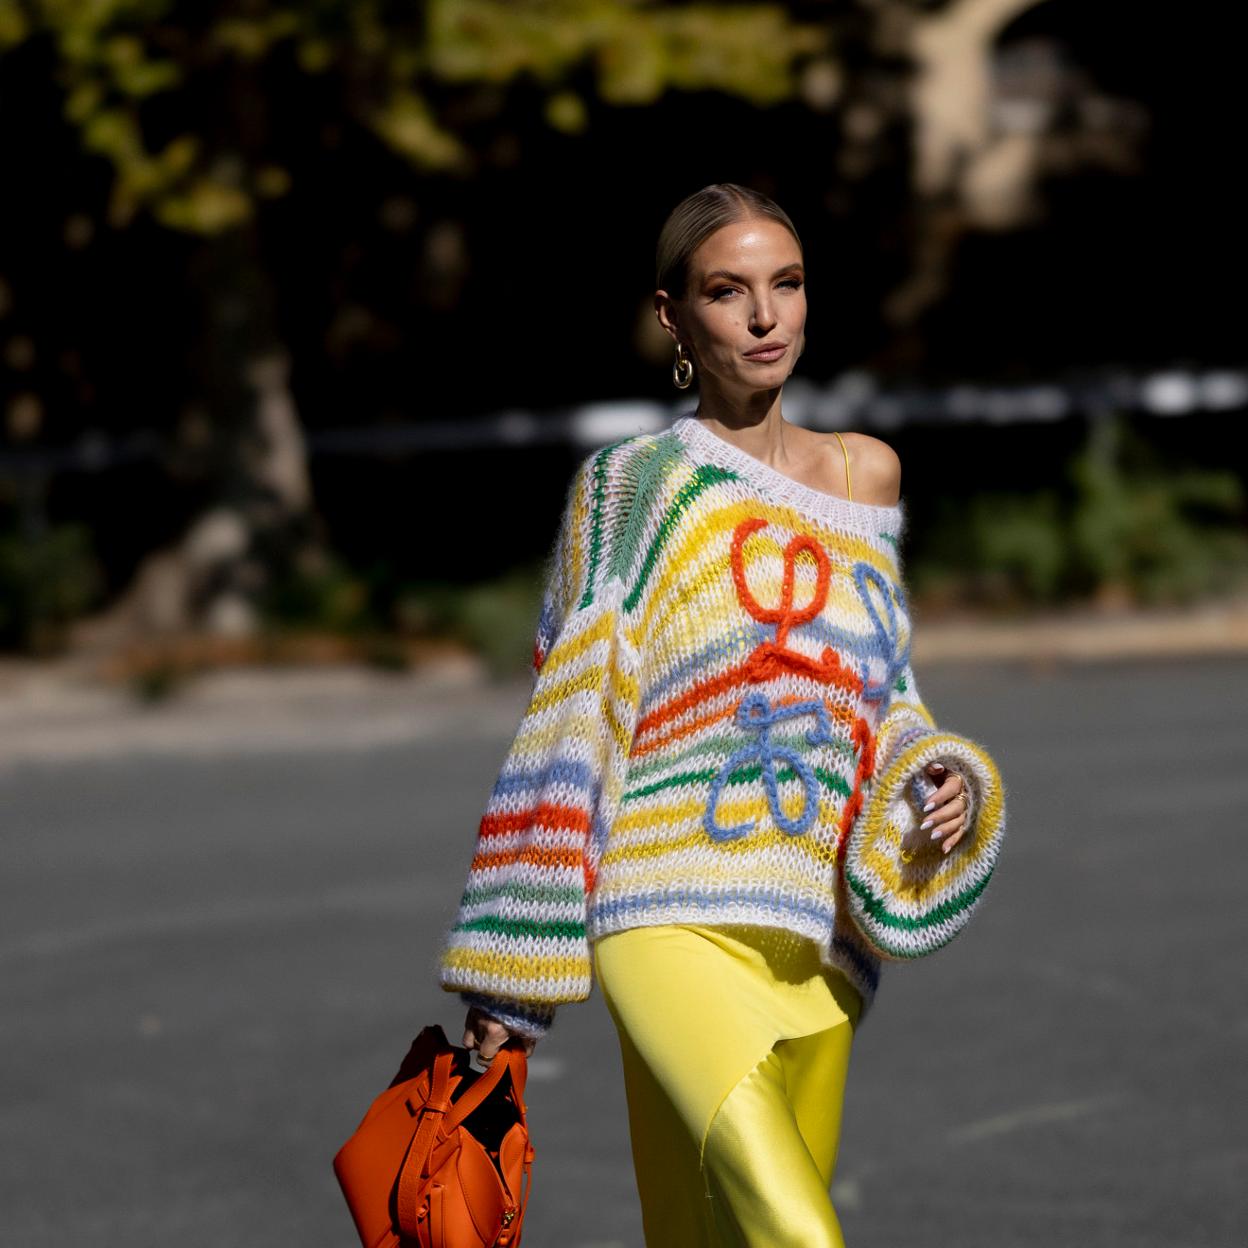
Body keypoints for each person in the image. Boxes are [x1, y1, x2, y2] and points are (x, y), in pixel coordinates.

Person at [437, 182, 1008, 1246]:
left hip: (821, 939)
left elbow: (879, 690)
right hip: (667, 916)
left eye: (786, 285)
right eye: (728, 290)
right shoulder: (634, 484)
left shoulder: (865, 473)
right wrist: (509, 976)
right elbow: (571, 720)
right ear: (673, 317)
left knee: (706, 1237)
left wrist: (938, 768)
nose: (765, 316)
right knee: (801, 1236)